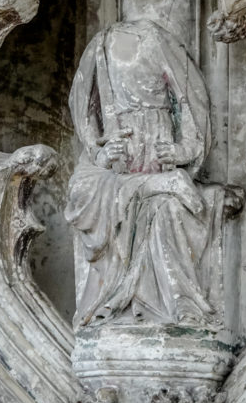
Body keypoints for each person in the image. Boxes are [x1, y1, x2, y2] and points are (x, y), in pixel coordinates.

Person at [65, 20, 218, 329]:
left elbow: (191, 107)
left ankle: (180, 302)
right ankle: (161, 185)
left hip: (155, 161)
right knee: (83, 193)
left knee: (168, 209)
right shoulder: (100, 48)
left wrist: (181, 151)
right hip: (113, 170)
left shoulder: (157, 41)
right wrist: (100, 152)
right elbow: (84, 112)